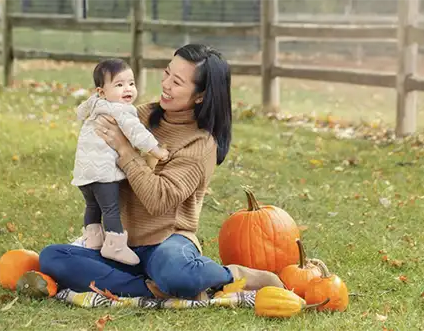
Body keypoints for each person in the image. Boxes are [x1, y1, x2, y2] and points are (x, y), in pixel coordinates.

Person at [35, 44, 284, 300]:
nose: (165, 84)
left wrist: (125, 150)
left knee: (177, 274)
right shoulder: (136, 116)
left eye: (176, 82)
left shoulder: (200, 144)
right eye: (166, 73)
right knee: (53, 258)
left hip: (166, 244)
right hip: (121, 247)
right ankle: (152, 288)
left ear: (200, 95)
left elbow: (158, 200)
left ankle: (231, 275)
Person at [71, 59, 169, 266]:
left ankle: (93, 240)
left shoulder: (97, 104)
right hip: (104, 172)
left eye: (131, 83)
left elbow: (81, 111)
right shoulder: (121, 110)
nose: (128, 89)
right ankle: (114, 246)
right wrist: (156, 150)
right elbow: (137, 133)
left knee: (92, 206)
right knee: (111, 209)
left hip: (83, 173)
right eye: (119, 84)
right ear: (102, 91)